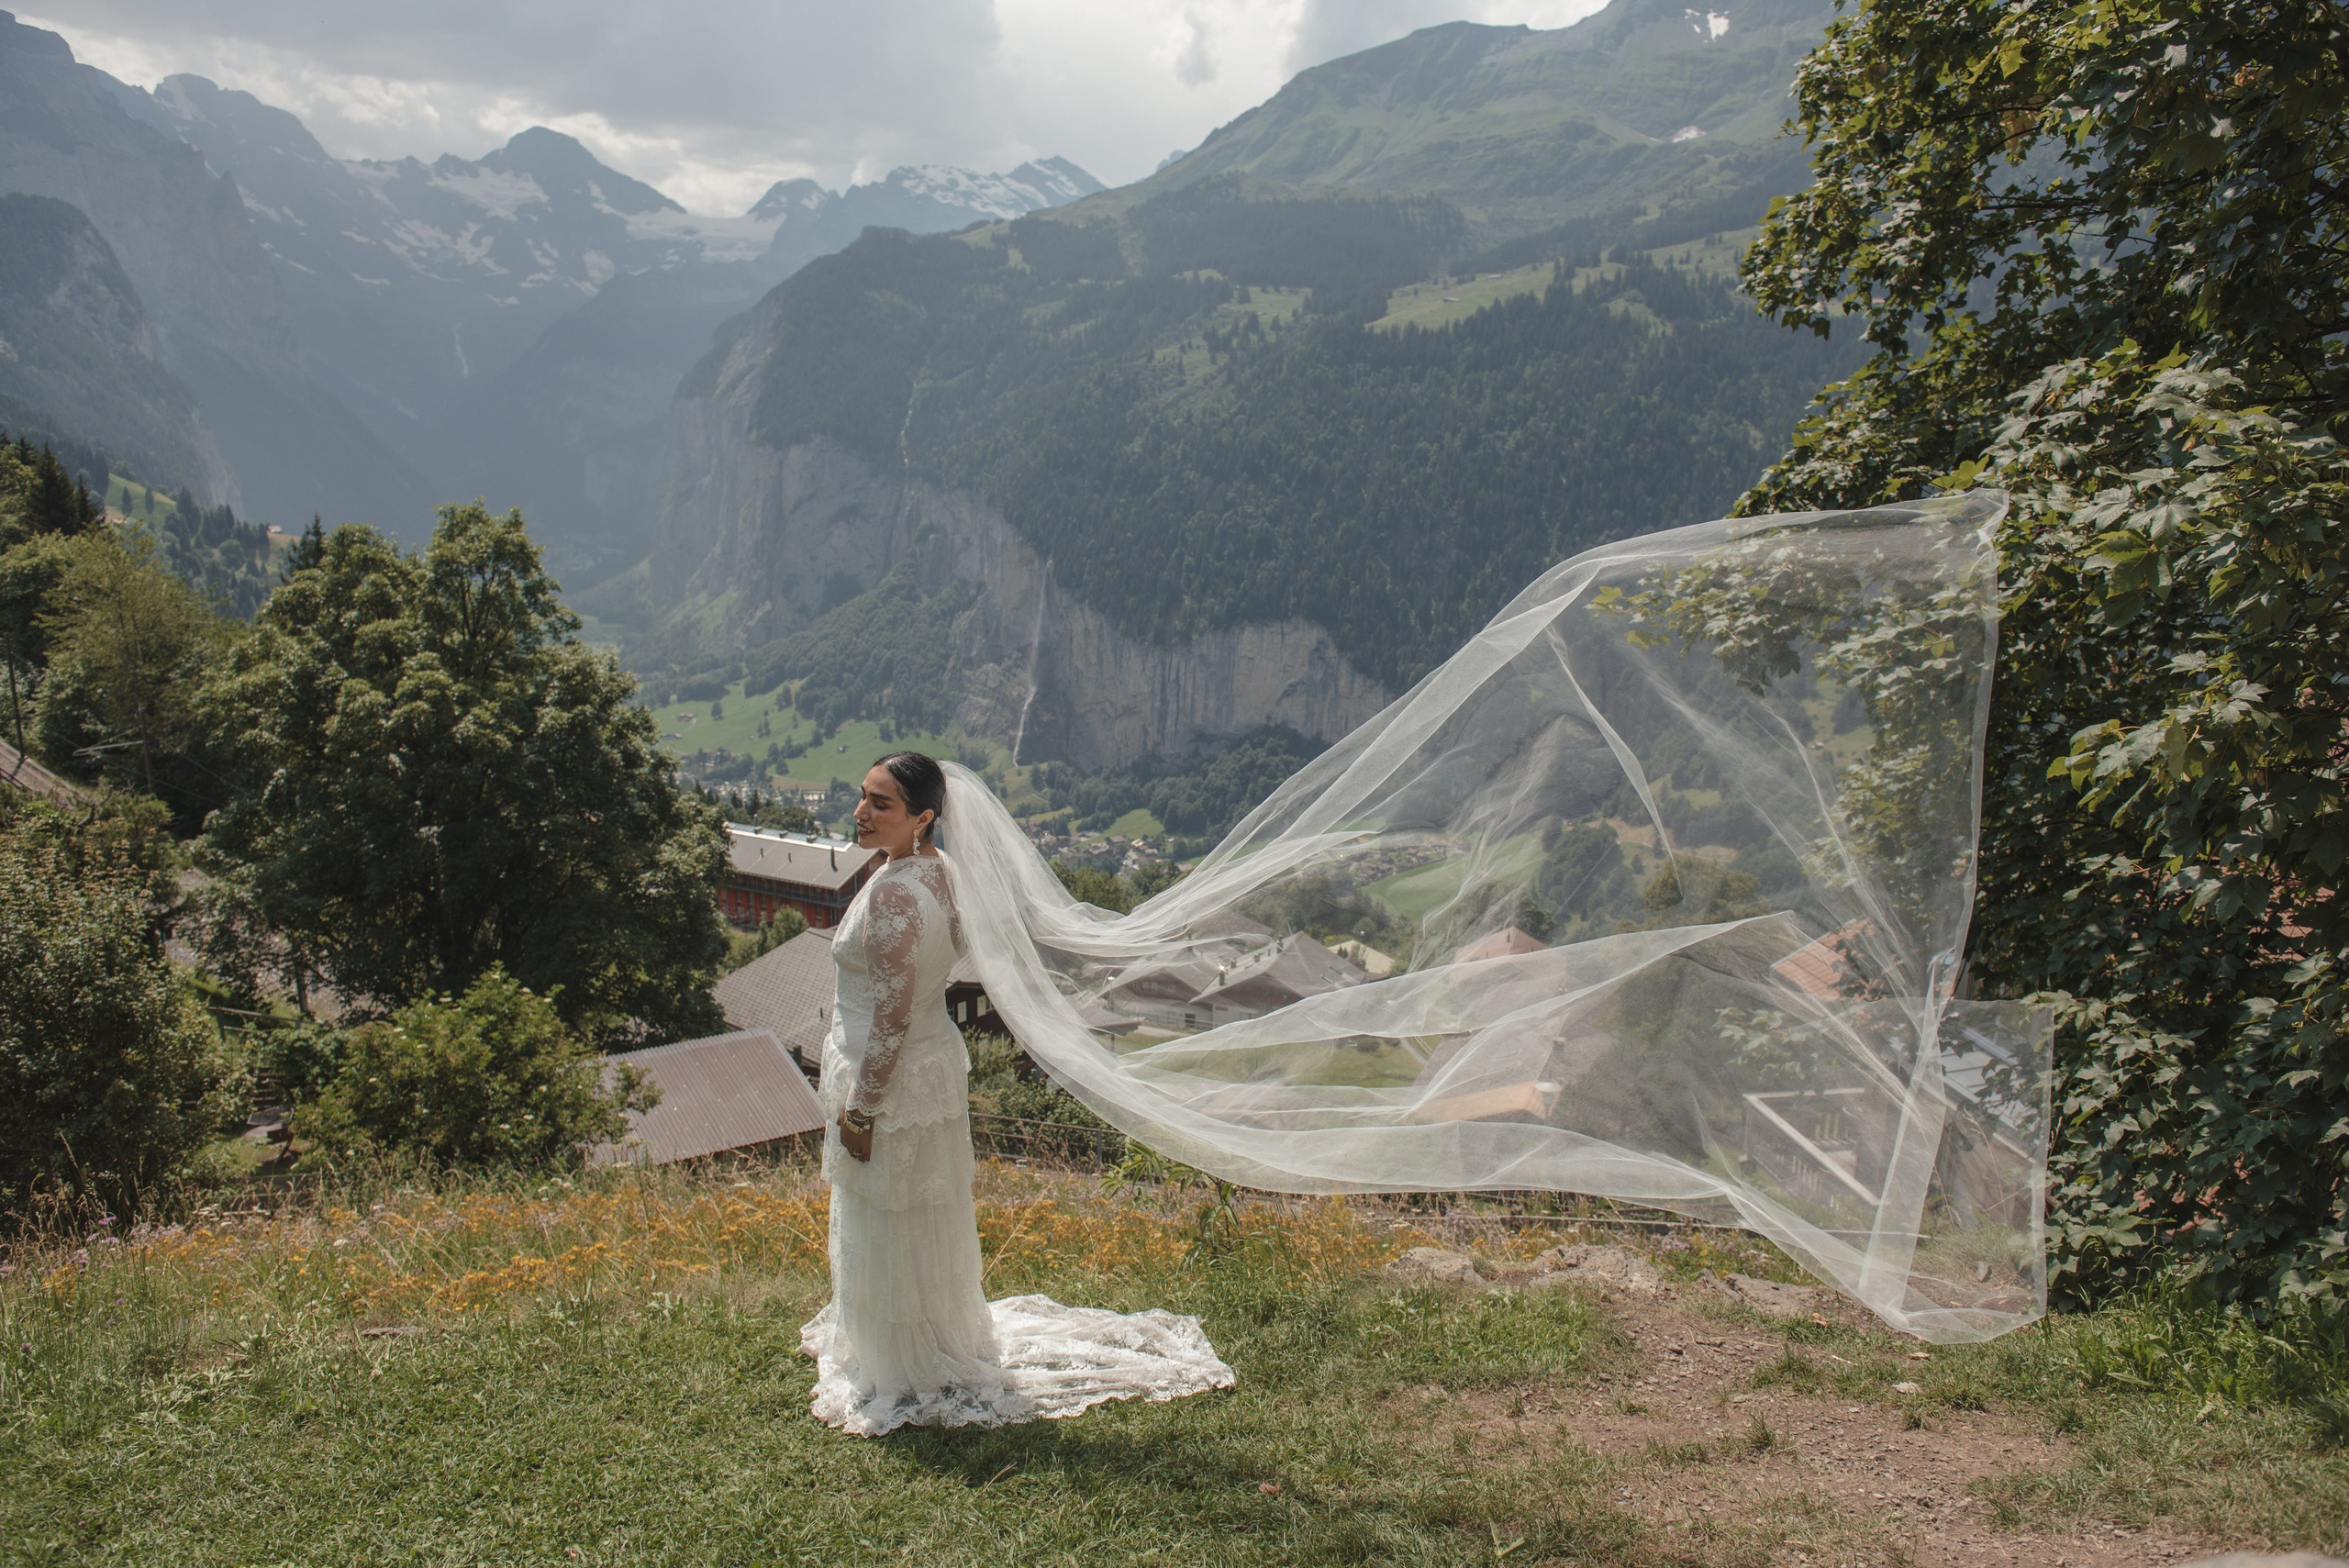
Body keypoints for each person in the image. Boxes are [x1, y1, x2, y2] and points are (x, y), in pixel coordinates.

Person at [799, 750, 1234, 1436]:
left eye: (881, 803)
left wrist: (861, 1109)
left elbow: (888, 1018)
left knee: (887, 1212)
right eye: (863, 796)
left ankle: (900, 1360)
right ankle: (923, 1337)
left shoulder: (890, 893)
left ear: (923, 817)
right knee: (920, 1213)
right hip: (933, 1065)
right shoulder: (937, 875)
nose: (861, 812)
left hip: (892, 1076)